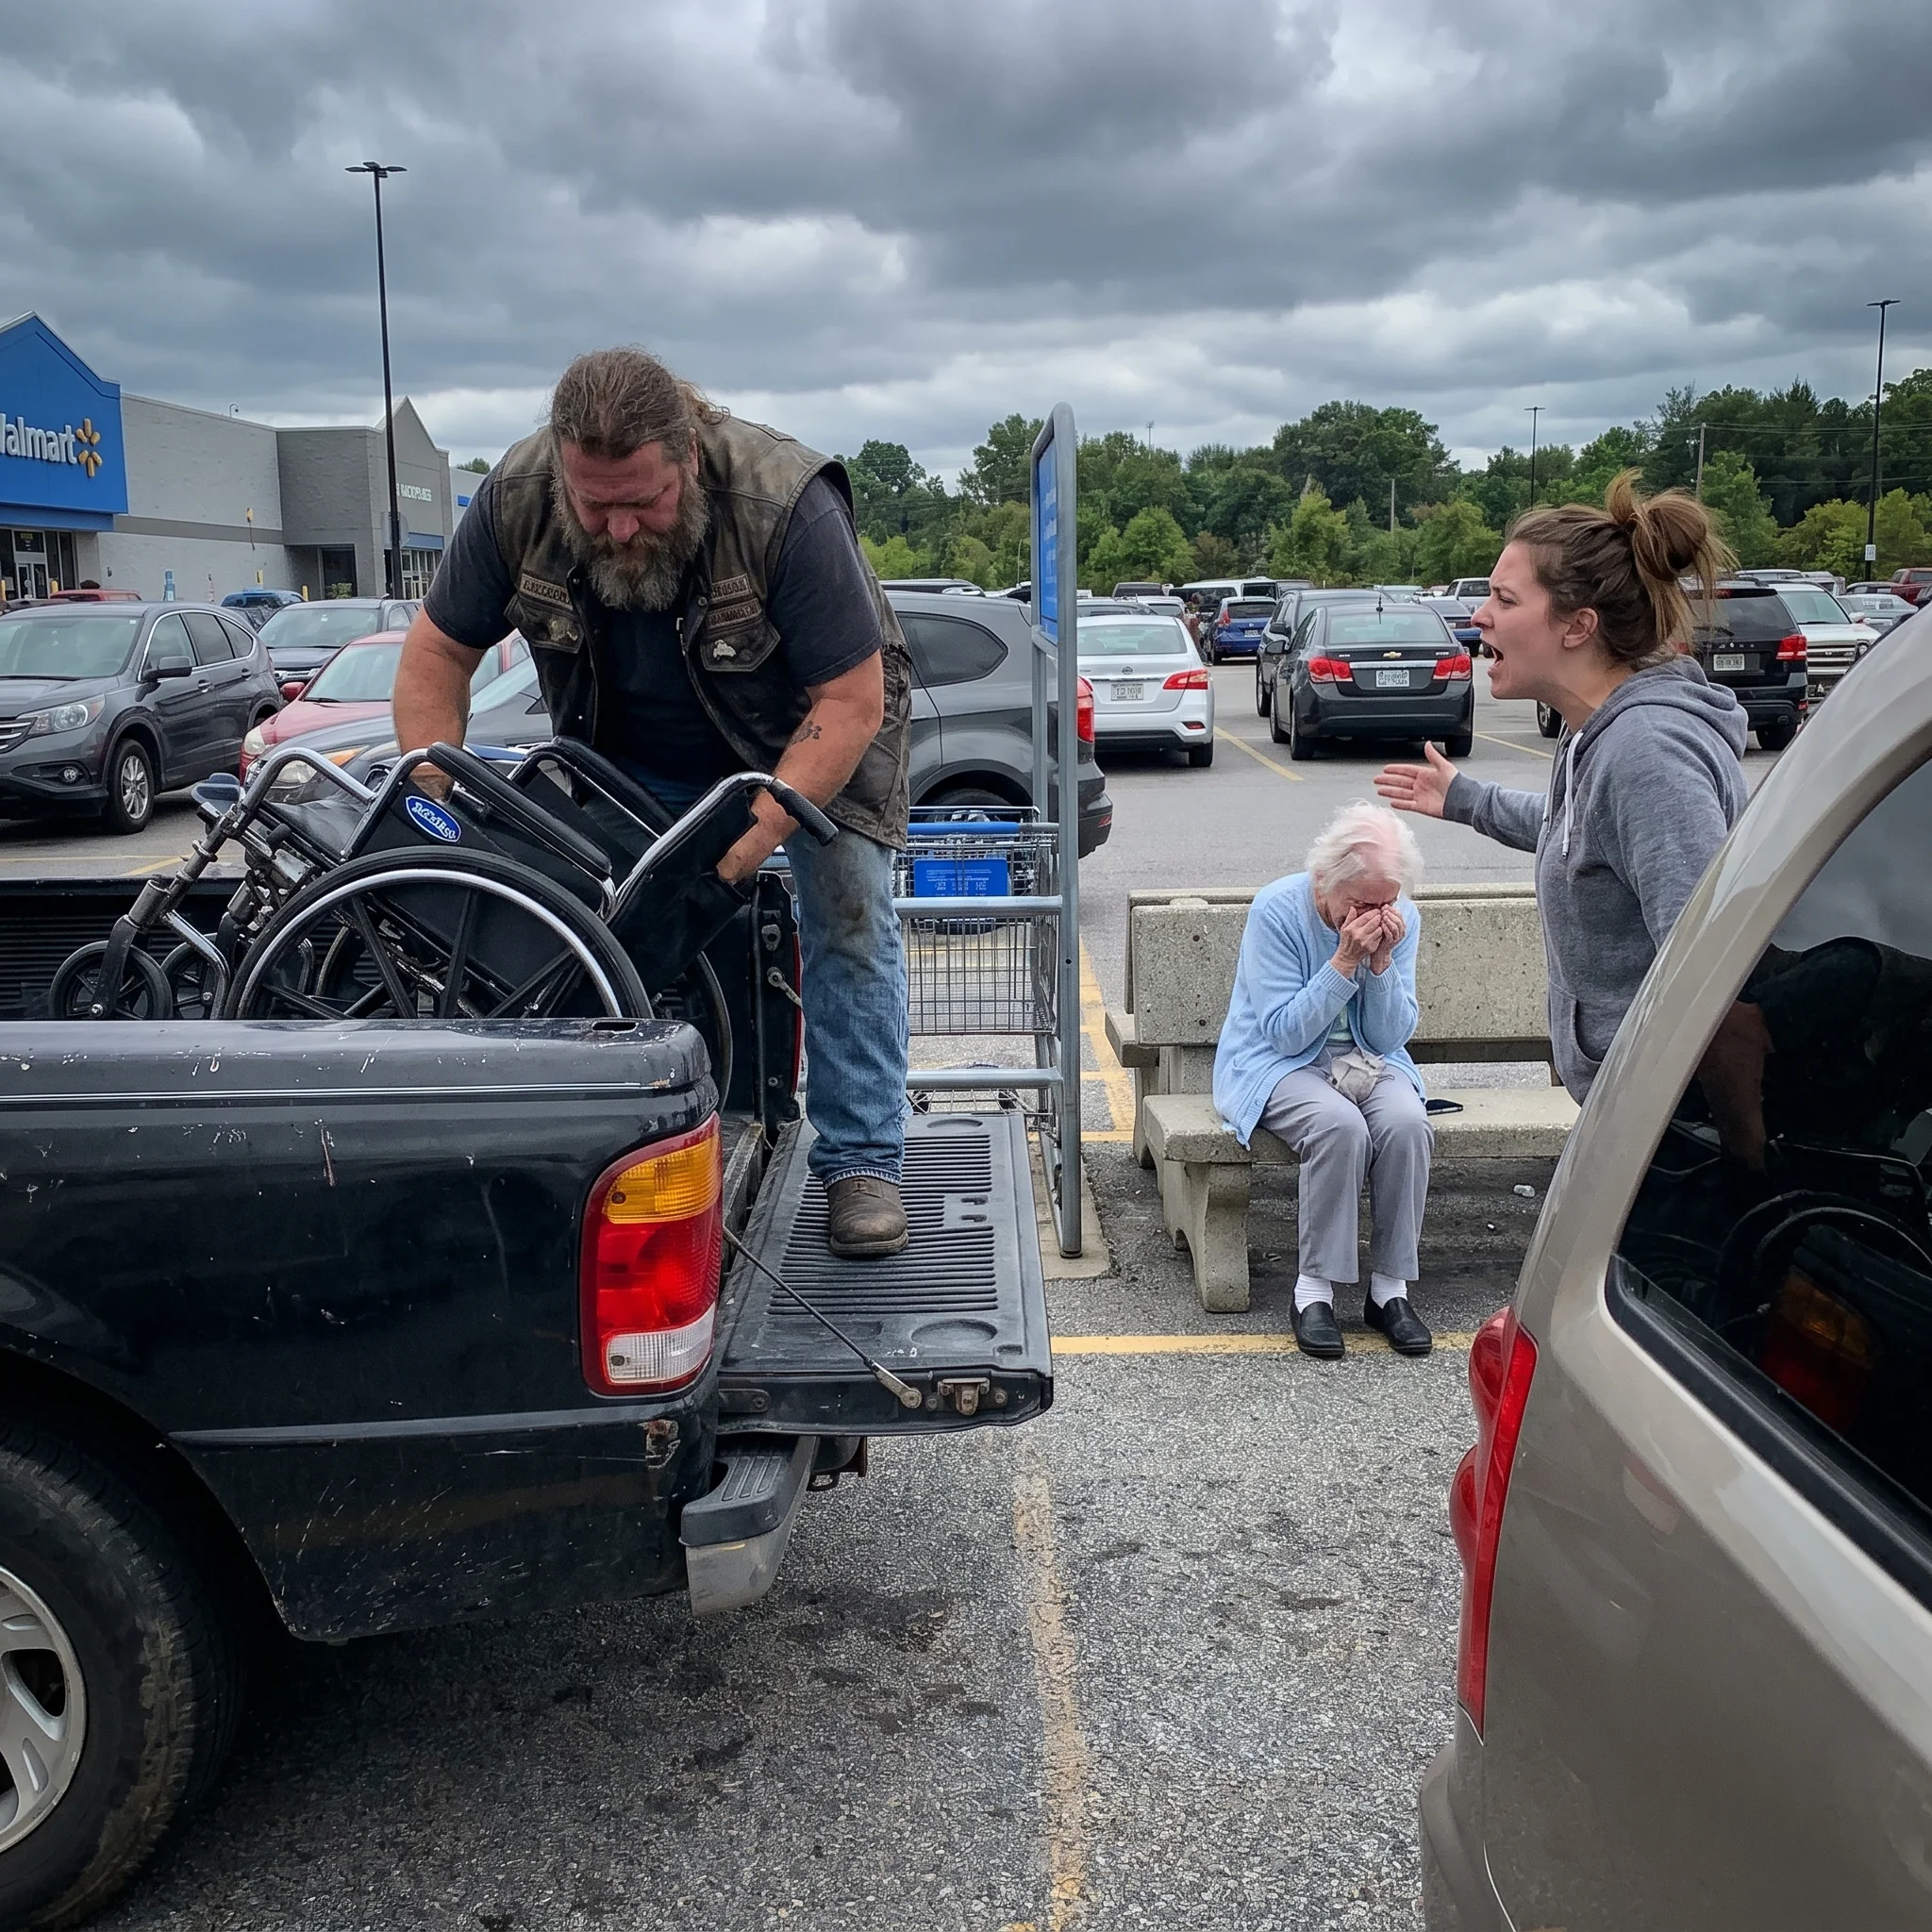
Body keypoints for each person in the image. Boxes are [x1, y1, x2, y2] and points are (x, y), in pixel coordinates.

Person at [392, 347, 915, 1258]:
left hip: (813, 728)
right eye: (596, 506)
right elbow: (436, 654)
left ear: (690, 455)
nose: (621, 527)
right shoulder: (517, 499)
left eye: (643, 502)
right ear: (561, 469)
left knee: (848, 910)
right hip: (629, 753)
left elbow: (851, 702)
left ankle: (861, 1157)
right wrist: (437, 806)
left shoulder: (785, 502)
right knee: (604, 928)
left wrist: (739, 857)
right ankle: (620, 1143)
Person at [1375, 473, 1748, 1102]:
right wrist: (1468, 800)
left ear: (1577, 626)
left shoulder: (1648, 754)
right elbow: (1585, 835)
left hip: (1672, 1123)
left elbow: (1710, 971)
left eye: (1506, 600)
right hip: (1632, 1104)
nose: (1480, 615)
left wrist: (1726, 1142)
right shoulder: (1593, 734)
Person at [1213, 802, 1436, 1359]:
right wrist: (1342, 963)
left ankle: (1389, 1290)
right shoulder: (1277, 910)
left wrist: (1381, 967)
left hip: (1365, 1059)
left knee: (1408, 1123)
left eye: (1387, 901)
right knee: (1339, 1127)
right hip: (1277, 1062)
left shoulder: (1399, 918)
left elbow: (1388, 1039)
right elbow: (1284, 1033)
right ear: (1324, 879)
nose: (1376, 915)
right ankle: (1314, 1291)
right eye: (1361, 903)